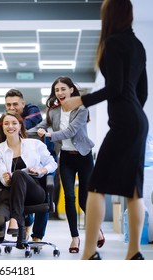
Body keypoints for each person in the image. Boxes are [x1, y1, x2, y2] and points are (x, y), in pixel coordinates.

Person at [63, 0, 148, 260]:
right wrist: (132, 113)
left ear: (110, 15)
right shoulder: (137, 45)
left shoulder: (113, 43)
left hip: (124, 122)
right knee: (134, 189)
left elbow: (116, 89)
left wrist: (80, 101)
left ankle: (89, 252)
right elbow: (141, 91)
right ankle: (134, 252)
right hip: (138, 120)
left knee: (96, 185)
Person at [29, 76, 104, 253]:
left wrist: (47, 135)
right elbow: (39, 126)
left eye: (63, 89)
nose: (60, 93)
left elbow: (70, 131)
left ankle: (97, 229)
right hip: (66, 159)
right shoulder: (54, 112)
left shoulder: (81, 108)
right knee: (69, 197)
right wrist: (19, 131)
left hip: (84, 156)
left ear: (71, 90)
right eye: (57, 90)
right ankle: (75, 238)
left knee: (85, 199)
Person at [0, 111, 57, 247]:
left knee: (19, 174)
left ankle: (9, 217)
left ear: (20, 126)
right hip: (12, 189)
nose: (10, 127)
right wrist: (6, 178)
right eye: (6, 124)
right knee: (15, 178)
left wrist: (41, 170)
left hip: (35, 191)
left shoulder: (35, 144)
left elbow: (52, 163)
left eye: (14, 123)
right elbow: (3, 178)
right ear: (2, 127)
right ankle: (15, 219)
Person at [4, 89, 54, 241]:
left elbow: (32, 120)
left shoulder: (31, 110)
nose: (12, 108)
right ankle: (25, 222)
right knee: (19, 181)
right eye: (8, 105)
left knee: (45, 191)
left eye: (15, 104)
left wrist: (14, 127)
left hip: (42, 159)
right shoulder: (6, 122)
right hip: (19, 163)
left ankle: (37, 235)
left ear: (23, 104)